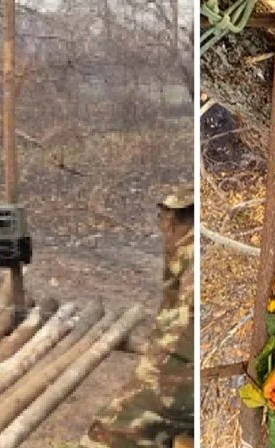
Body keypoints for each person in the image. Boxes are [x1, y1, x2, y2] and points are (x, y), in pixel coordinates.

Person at [81, 186, 195, 448]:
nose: (164, 226)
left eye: (169, 220)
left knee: (106, 437)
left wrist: (157, 373)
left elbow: (185, 329)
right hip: (179, 358)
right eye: (164, 218)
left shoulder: (194, 248)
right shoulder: (185, 240)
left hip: (182, 368)